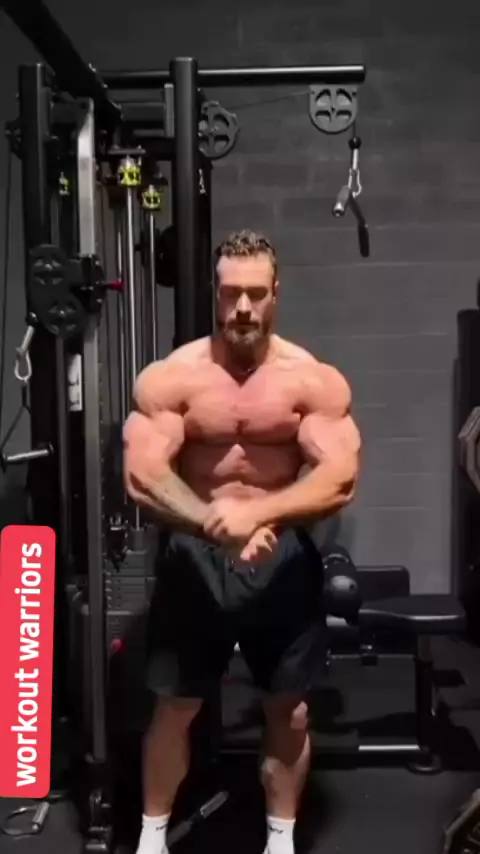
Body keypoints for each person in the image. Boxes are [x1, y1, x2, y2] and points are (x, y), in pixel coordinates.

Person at [123, 230, 361, 854]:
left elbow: (339, 478)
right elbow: (142, 475)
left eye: (256, 293)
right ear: (215, 293)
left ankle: (280, 840)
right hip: (194, 556)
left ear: (277, 292)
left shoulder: (310, 380)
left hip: (279, 556)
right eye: (231, 294)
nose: (244, 308)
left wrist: (261, 518)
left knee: (290, 709)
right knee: (175, 707)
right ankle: (152, 836)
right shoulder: (174, 378)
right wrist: (214, 524)